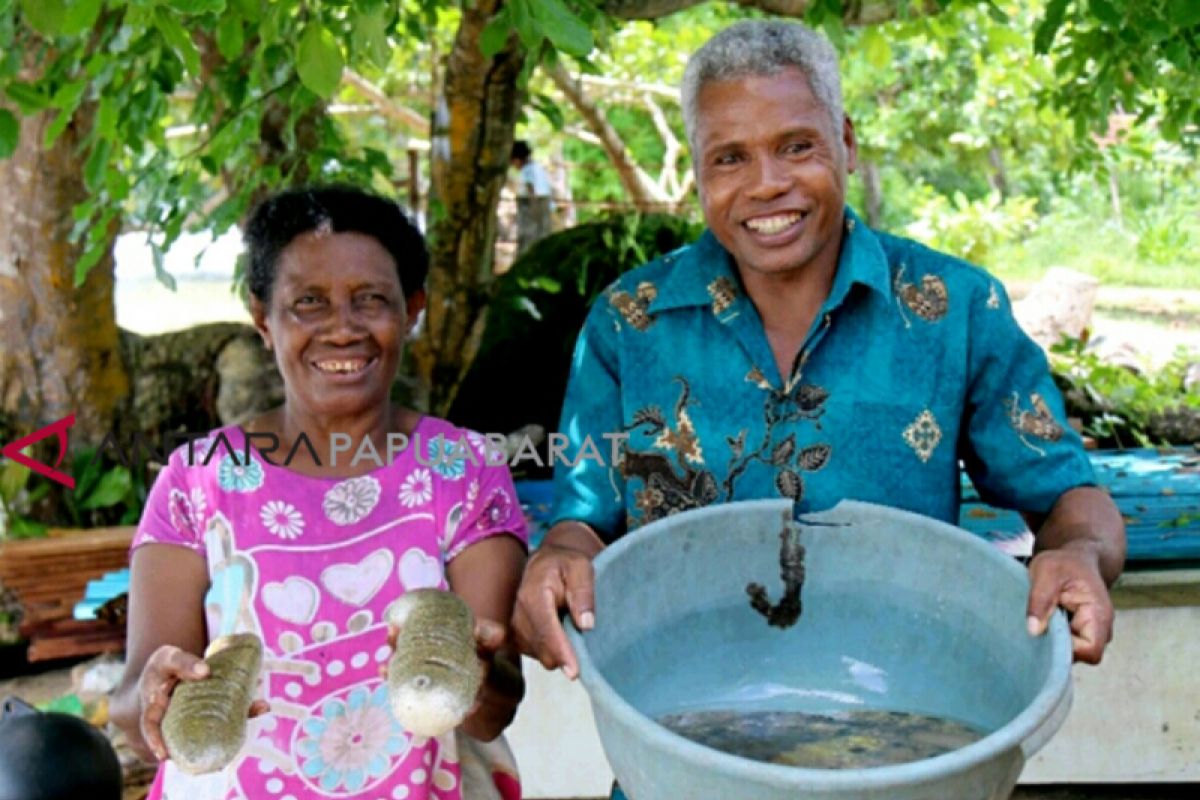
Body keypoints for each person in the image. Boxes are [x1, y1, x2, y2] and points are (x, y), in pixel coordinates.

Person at [512, 20, 1126, 681]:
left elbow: (1069, 497)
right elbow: (584, 523)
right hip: (680, 722)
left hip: (901, 724)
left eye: (796, 146)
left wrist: (1079, 554)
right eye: (730, 158)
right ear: (697, 173)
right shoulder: (629, 323)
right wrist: (556, 558)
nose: (767, 183)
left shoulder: (955, 310)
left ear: (848, 143)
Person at [111, 187, 528, 800]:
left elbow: (496, 707)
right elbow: (129, 702)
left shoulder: (464, 470)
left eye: (371, 301)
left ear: (412, 310)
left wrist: (471, 674)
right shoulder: (197, 479)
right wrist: (156, 694)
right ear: (262, 317)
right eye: (308, 303)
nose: (342, 329)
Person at [510, 140, 555, 255]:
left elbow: (531, 189)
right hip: (544, 207)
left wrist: (534, 208)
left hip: (532, 209)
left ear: (517, 160)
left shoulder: (527, 171)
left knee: (529, 241)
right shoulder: (538, 167)